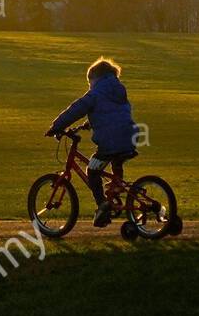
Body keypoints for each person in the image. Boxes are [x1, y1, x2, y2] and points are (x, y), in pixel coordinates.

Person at [45, 57, 137, 227]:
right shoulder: (119, 89)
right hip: (128, 137)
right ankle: (117, 187)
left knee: (92, 170)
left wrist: (56, 127)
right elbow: (112, 112)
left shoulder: (95, 93)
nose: (89, 86)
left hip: (110, 142)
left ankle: (103, 206)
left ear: (95, 78)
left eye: (90, 82)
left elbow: (77, 109)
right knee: (117, 159)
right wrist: (89, 124)